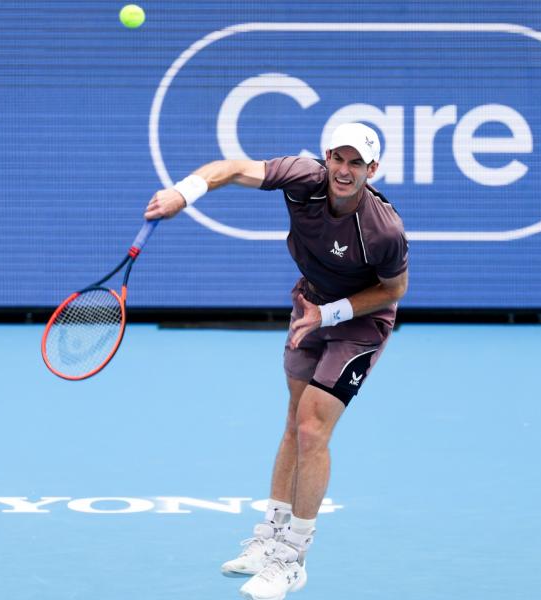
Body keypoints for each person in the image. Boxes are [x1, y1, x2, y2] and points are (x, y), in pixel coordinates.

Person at [144, 123, 409, 600]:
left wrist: (327, 314)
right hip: (309, 303)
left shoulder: (382, 229)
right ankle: (270, 539)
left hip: (357, 322)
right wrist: (184, 193)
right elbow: (231, 169)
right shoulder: (302, 178)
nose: (344, 171)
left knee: (312, 427)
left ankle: (293, 559)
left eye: (356, 163)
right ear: (327, 157)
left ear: (372, 170)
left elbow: (394, 290)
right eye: (338, 159)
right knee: (293, 420)